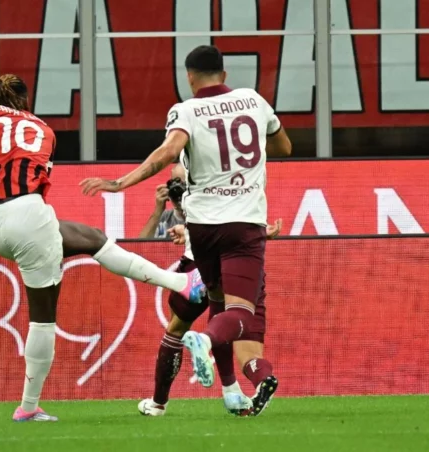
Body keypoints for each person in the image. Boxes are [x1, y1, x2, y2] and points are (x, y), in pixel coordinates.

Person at [0, 74, 206, 423]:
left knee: (91, 238)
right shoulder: (45, 130)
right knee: (43, 319)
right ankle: (28, 407)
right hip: (29, 214)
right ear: (25, 102)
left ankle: (181, 284)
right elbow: (29, 178)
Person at [81, 45, 292, 416]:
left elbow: (167, 152)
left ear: (189, 77)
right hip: (243, 225)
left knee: (212, 307)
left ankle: (195, 397)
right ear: (224, 75)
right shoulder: (254, 100)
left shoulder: (186, 111)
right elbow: (284, 146)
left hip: (201, 233)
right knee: (241, 314)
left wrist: (119, 183)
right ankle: (206, 345)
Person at [137, 163, 283, 417]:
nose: (176, 188)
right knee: (243, 338)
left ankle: (159, 403)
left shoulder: (196, 171)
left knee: (176, 330)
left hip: (199, 265)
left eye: (178, 183)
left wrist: (185, 224)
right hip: (243, 266)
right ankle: (244, 386)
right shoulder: (238, 177)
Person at [138, 165, 186, 239]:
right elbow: (140, 246)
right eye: (176, 184)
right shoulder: (164, 217)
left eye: (184, 185)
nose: (179, 191)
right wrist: (158, 210)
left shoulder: (206, 216)